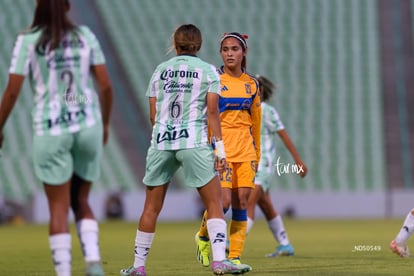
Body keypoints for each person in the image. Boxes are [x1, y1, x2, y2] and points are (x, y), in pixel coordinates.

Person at [119, 24, 251, 276]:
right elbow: (213, 112)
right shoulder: (208, 71)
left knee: (151, 208)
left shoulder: (160, 70)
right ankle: (220, 261)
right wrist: (220, 151)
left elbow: (153, 114)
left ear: (175, 44)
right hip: (193, 140)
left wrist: (166, 133)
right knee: (214, 202)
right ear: (199, 45)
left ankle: (138, 267)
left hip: (162, 140)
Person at [0, 1, 113, 275]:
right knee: (82, 201)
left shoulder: (28, 40)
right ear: (67, 6)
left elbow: (13, 91)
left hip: (51, 128)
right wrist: (105, 123)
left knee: (58, 208)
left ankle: (64, 271)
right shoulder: (85, 36)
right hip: (88, 125)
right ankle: (94, 263)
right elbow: (106, 86)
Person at [195, 32, 261, 271]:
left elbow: (256, 121)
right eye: (225, 49)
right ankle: (203, 235)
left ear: (244, 52)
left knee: (242, 202)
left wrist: (258, 154)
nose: (230, 53)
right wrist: (211, 148)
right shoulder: (214, 79)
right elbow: (208, 115)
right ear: (220, 53)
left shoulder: (252, 84)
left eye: (234, 49)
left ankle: (234, 257)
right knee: (222, 203)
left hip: (246, 152)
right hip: (221, 150)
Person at [245, 75, 307, 257]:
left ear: (261, 90)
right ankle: (285, 244)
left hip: (262, 164)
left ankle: (233, 244)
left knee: (247, 202)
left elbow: (283, 136)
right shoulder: (246, 110)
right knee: (266, 205)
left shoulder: (267, 111)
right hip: (249, 163)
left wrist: (298, 161)